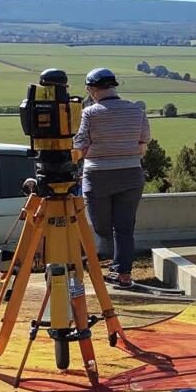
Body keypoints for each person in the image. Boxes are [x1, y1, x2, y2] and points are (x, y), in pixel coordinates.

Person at [73, 68, 150, 289]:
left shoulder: (89, 113)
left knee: (102, 227)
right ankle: (122, 273)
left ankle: (109, 265)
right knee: (125, 228)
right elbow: (143, 145)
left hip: (98, 177)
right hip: (131, 175)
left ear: (92, 89)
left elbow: (79, 146)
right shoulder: (137, 111)